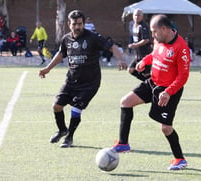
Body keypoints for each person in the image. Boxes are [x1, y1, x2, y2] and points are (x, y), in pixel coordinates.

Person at [111, 14, 190, 171]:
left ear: (164, 29)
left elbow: (183, 76)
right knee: (125, 102)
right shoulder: (159, 40)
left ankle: (180, 159)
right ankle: (123, 143)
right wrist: (144, 61)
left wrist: (168, 92)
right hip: (153, 83)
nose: (152, 35)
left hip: (170, 91)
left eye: (154, 32)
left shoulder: (181, 48)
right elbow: (154, 54)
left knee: (166, 128)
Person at [38, 10, 127, 148]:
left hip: (90, 83)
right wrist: (48, 69)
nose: (77, 27)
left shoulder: (92, 37)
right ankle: (62, 130)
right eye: (74, 24)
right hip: (71, 81)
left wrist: (121, 60)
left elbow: (113, 47)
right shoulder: (66, 39)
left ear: (84, 24)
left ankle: (69, 138)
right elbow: (62, 54)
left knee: (76, 109)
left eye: (80, 24)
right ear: (69, 24)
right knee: (56, 106)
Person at [128, 9, 152, 81]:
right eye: (135, 15)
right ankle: (149, 84)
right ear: (133, 16)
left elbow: (146, 40)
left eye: (138, 15)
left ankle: (151, 85)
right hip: (138, 55)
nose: (136, 17)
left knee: (146, 74)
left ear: (142, 16)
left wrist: (135, 45)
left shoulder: (143, 26)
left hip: (146, 54)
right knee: (130, 69)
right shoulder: (133, 25)